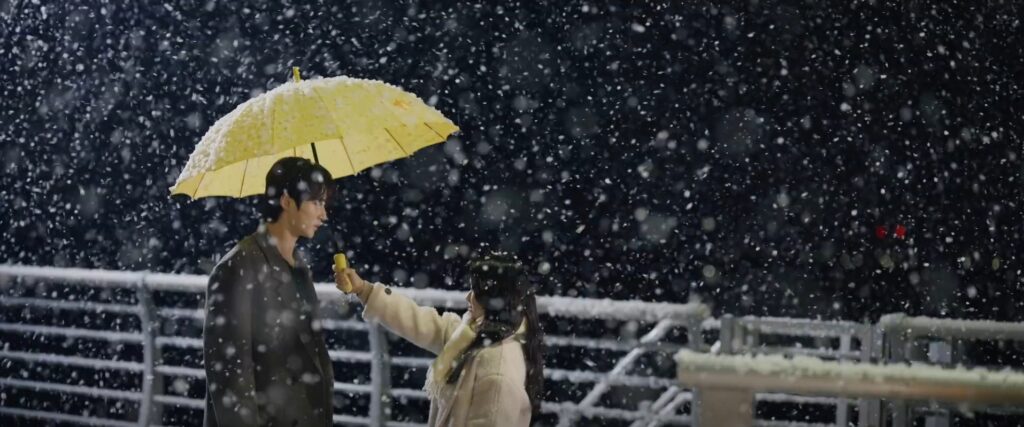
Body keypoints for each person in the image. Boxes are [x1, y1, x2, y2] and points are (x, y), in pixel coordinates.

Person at [334, 253, 544, 426]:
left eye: (476, 292)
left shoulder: (497, 370)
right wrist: (363, 290)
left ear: (497, 300)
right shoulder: (474, 335)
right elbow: (421, 322)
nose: (468, 297)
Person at [203, 157, 334, 427]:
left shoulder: (299, 266)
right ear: (287, 201)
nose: (324, 215)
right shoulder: (238, 266)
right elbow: (231, 375)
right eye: (316, 203)